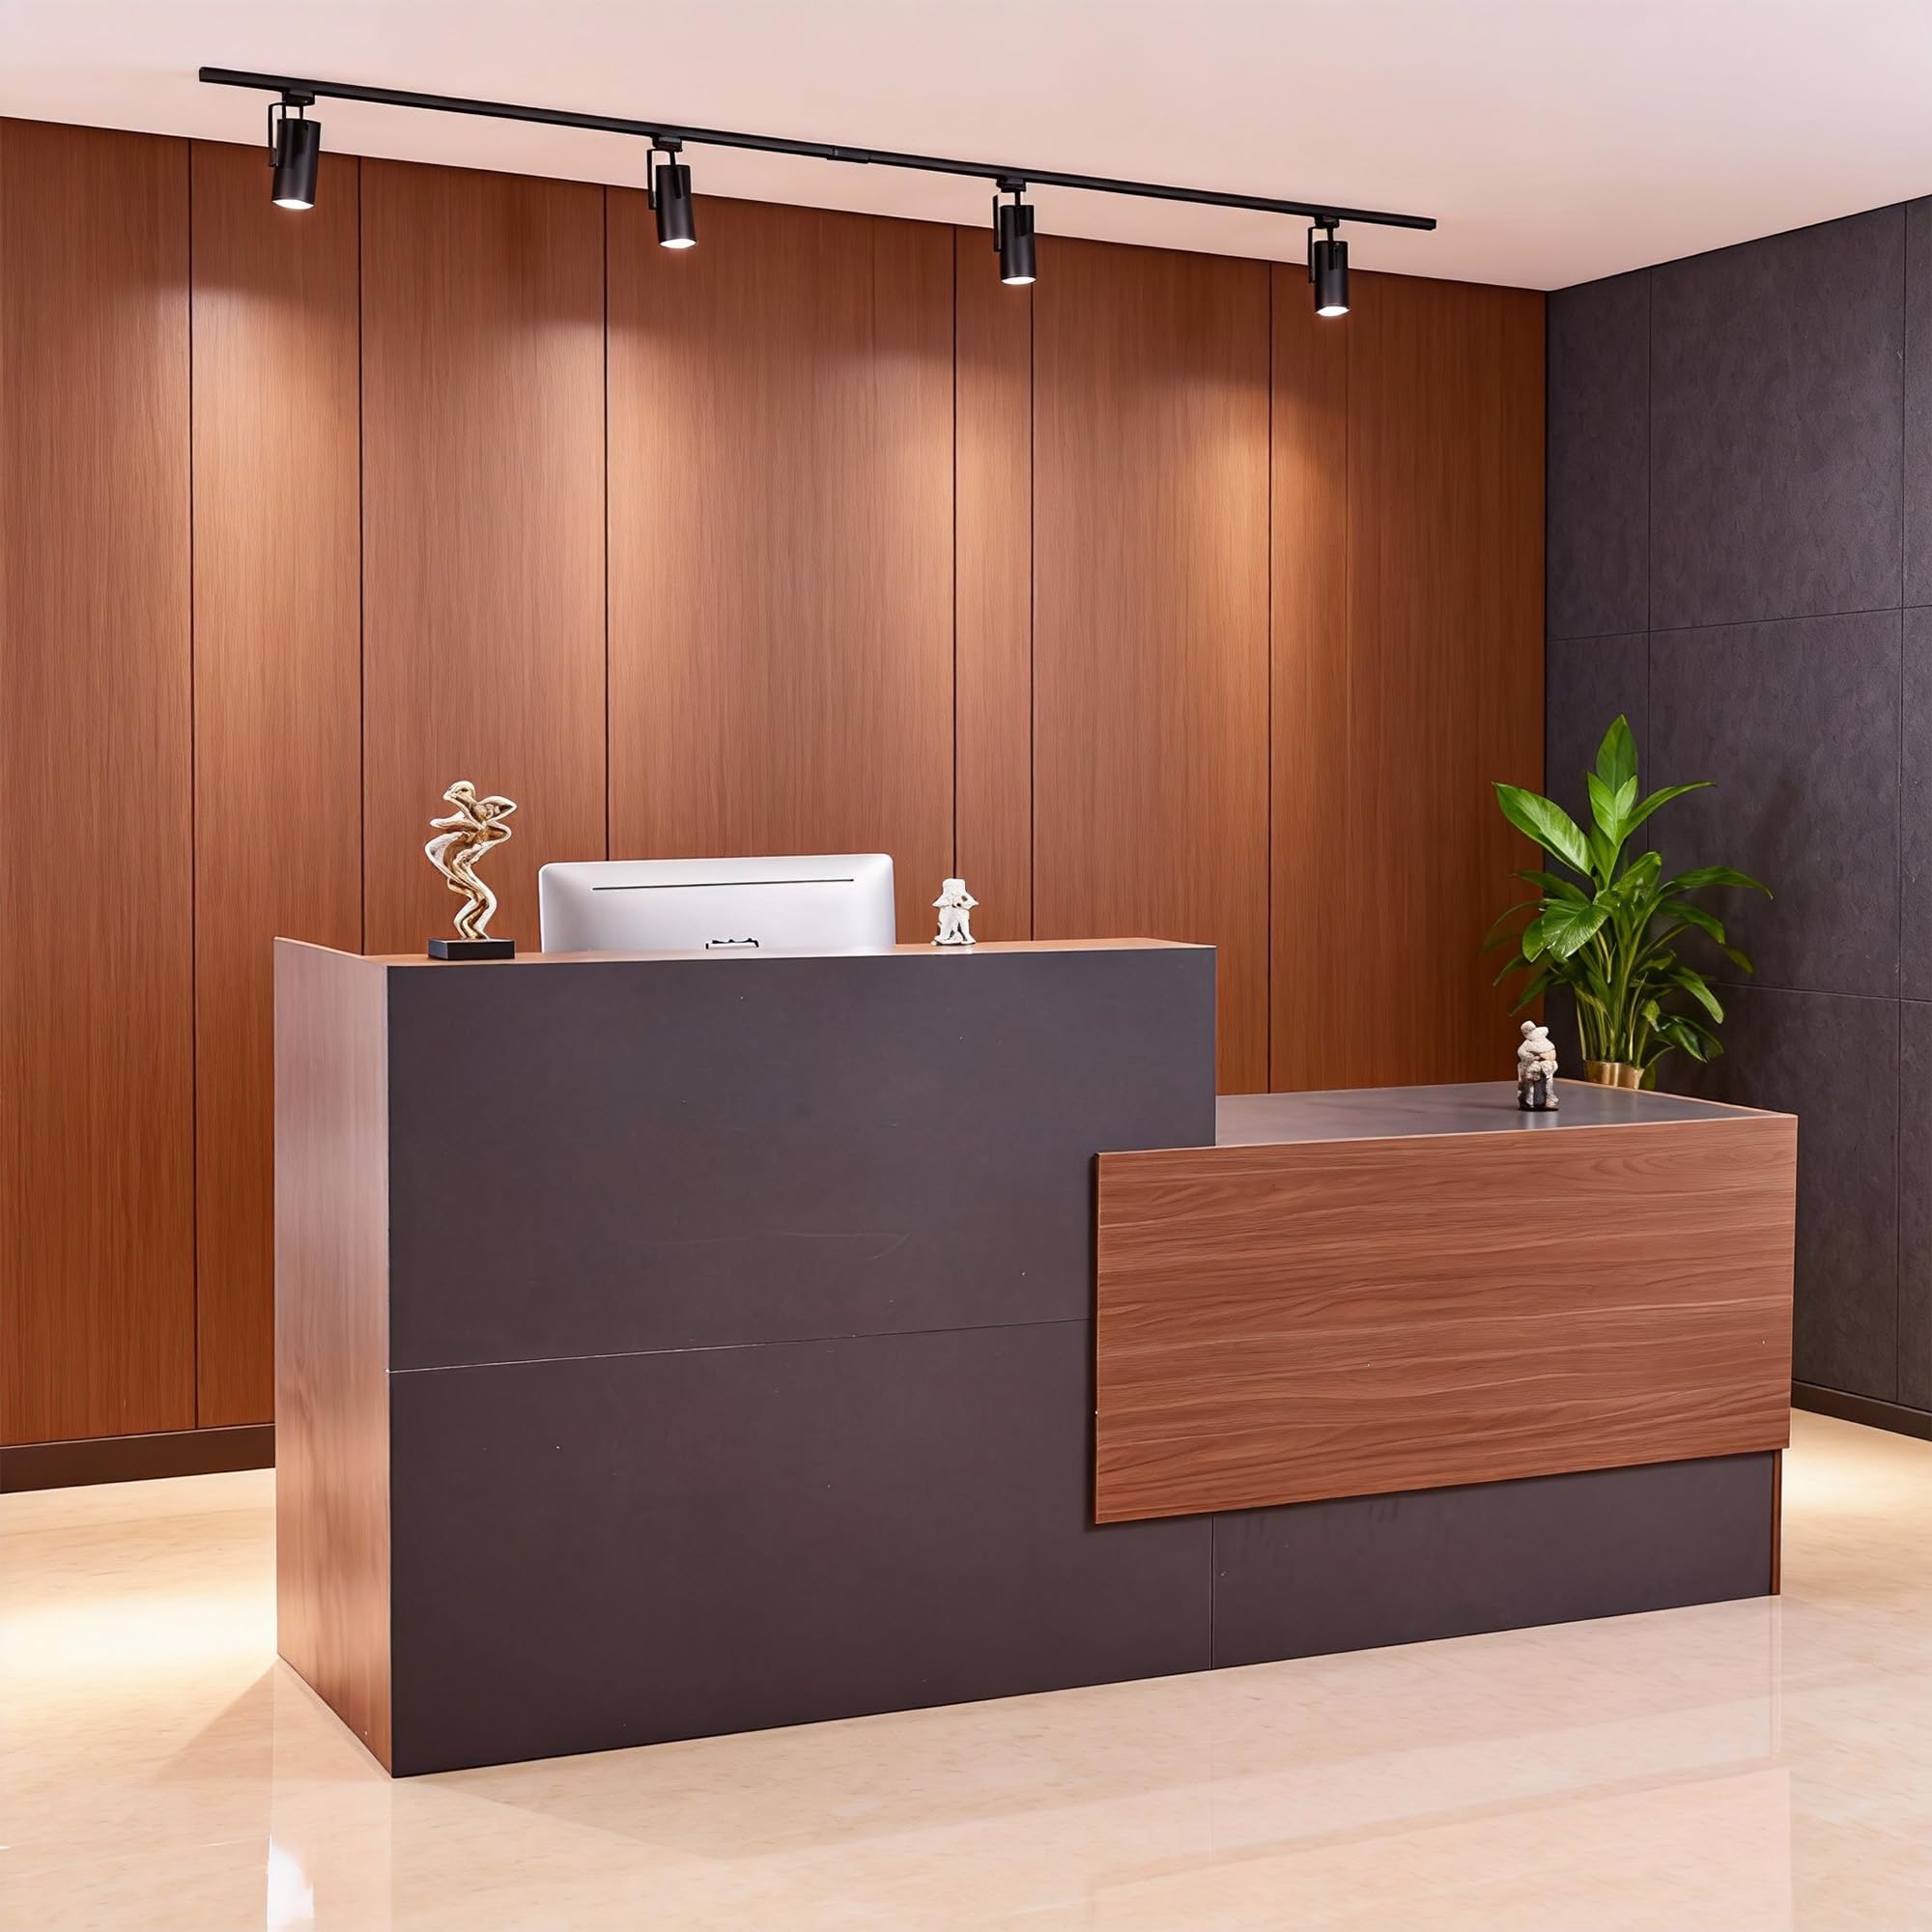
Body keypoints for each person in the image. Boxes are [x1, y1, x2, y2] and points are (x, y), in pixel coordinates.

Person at [425, 781, 518, 939]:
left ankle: (468, 926)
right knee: (486, 899)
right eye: (488, 808)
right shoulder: (470, 817)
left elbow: (493, 839)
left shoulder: (488, 828)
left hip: (461, 863)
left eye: (493, 813)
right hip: (449, 857)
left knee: (485, 899)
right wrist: (457, 800)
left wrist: (474, 853)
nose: (490, 813)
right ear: (484, 803)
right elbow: (441, 822)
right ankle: (467, 925)